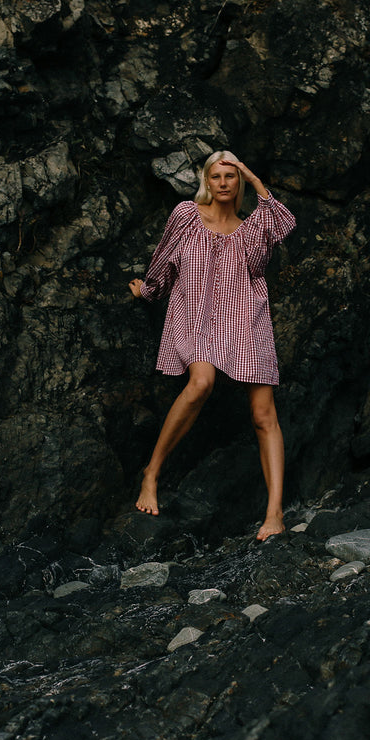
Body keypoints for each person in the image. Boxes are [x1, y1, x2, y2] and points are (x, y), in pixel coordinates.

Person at [129, 151, 296, 540]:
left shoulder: (254, 227)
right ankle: (151, 473)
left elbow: (279, 228)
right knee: (201, 383)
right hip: (197, 315)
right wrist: (149, 291)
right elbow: (164, 258)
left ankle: (275, 514)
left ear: (239, 183)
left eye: (231, 177)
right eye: (217, 176)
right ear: (207, 180)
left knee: (263, 414)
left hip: (245, 319)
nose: (224, 183)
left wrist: (253, 177)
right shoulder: (187, 215)